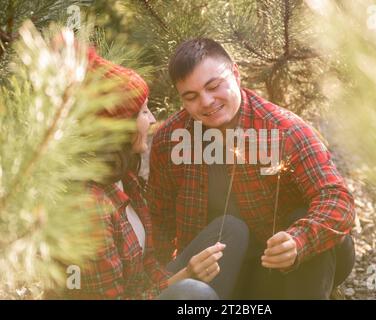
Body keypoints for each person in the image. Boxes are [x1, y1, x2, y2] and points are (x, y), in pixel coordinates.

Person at [147, 38, 356, 299]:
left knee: (309, 220)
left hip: (287, 269)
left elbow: (338, 199)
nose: (207, 102)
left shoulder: (283, 129)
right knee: (231, 227)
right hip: (224, 275)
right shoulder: (170, 141)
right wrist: (158, 285)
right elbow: (158, 223)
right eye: (191, 97)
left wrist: (298, 241)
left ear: (236, 73)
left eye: (214, 86)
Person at [67, 46, 231, 300]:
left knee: (230, 230)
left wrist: (180, 276)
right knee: (194, 294)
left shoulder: (125, 181)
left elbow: (148, 267)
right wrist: (185, 276)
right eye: (143, 111)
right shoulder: (90, 207)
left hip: (145, 291)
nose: (153, 118)